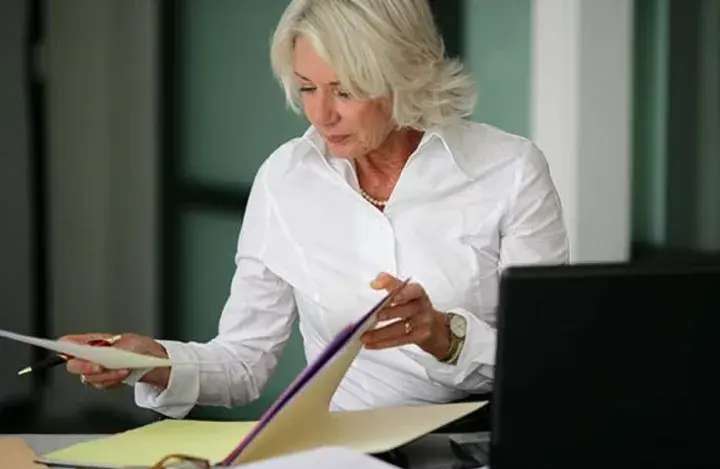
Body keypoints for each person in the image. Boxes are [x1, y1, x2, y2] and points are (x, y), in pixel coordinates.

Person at [63, 0, 568, 418]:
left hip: (484, 443)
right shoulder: (286, 181)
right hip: (342, 455)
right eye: (307, 88)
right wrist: (153, 361)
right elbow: (243, 363)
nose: (321, 114)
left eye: (345, 90)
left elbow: (546, 363)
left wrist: (447, 337)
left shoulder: (510, 170)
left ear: (404, 76)